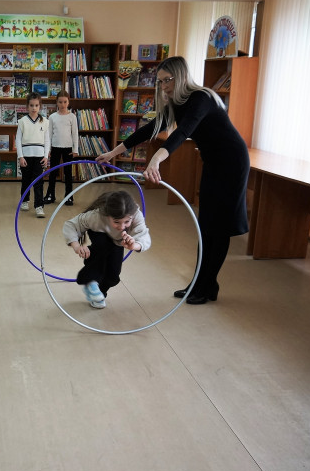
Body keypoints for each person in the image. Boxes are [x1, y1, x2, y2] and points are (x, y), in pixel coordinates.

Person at [97, 56, 249, 305]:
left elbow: (184, 131)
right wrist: (114, 151)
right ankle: (201, 283)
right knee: (206, 226)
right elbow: (150, 129)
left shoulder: (201, 98)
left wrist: (157, 159)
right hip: (213, 163)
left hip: (232, 163)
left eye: (168, 80)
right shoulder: (176, 104)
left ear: (181, 77)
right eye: (160, 82)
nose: (164, 86)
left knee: (218, 227)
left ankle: (206, 284)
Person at [63, 191, 150, 309]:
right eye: (116, 222)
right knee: (102, 247)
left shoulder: (135, 214)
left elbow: (144, 236)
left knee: (113, 276)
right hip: (99, 233)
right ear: (107, 215)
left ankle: (100, 292)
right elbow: (71, 225)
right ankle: (90, 281)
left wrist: (134, 245)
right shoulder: (96, 216)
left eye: (126, 222)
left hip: (118, 241)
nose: (122, 227)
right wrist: (76, 246)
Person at [16, 92, 51, 217]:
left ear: (40, 106)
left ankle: (39, 206)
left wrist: (46, 156)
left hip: (39, 157)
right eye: (31, 105)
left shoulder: (45, 122)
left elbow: (47, 140)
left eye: (36, 105)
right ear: (27, 106)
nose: (34, 108)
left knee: (39, 182)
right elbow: (18, 140)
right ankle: (25, 201)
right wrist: (21, 156)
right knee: (26, 180)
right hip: (26, 156)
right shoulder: (22, 121)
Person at [45, 91, 79, 206]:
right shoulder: (52, 117)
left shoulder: (72, 117)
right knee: (53, 172)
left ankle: (69, 197)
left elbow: (75, 134)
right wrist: (47, 150)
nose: (63, 104)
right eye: (60, 102)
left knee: (68, 173)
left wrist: (75, 150)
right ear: (57, 102)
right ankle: (50, 195)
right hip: (55, 148)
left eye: (65, 102)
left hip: (68, 149)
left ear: (68, 102)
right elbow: (49, 135)